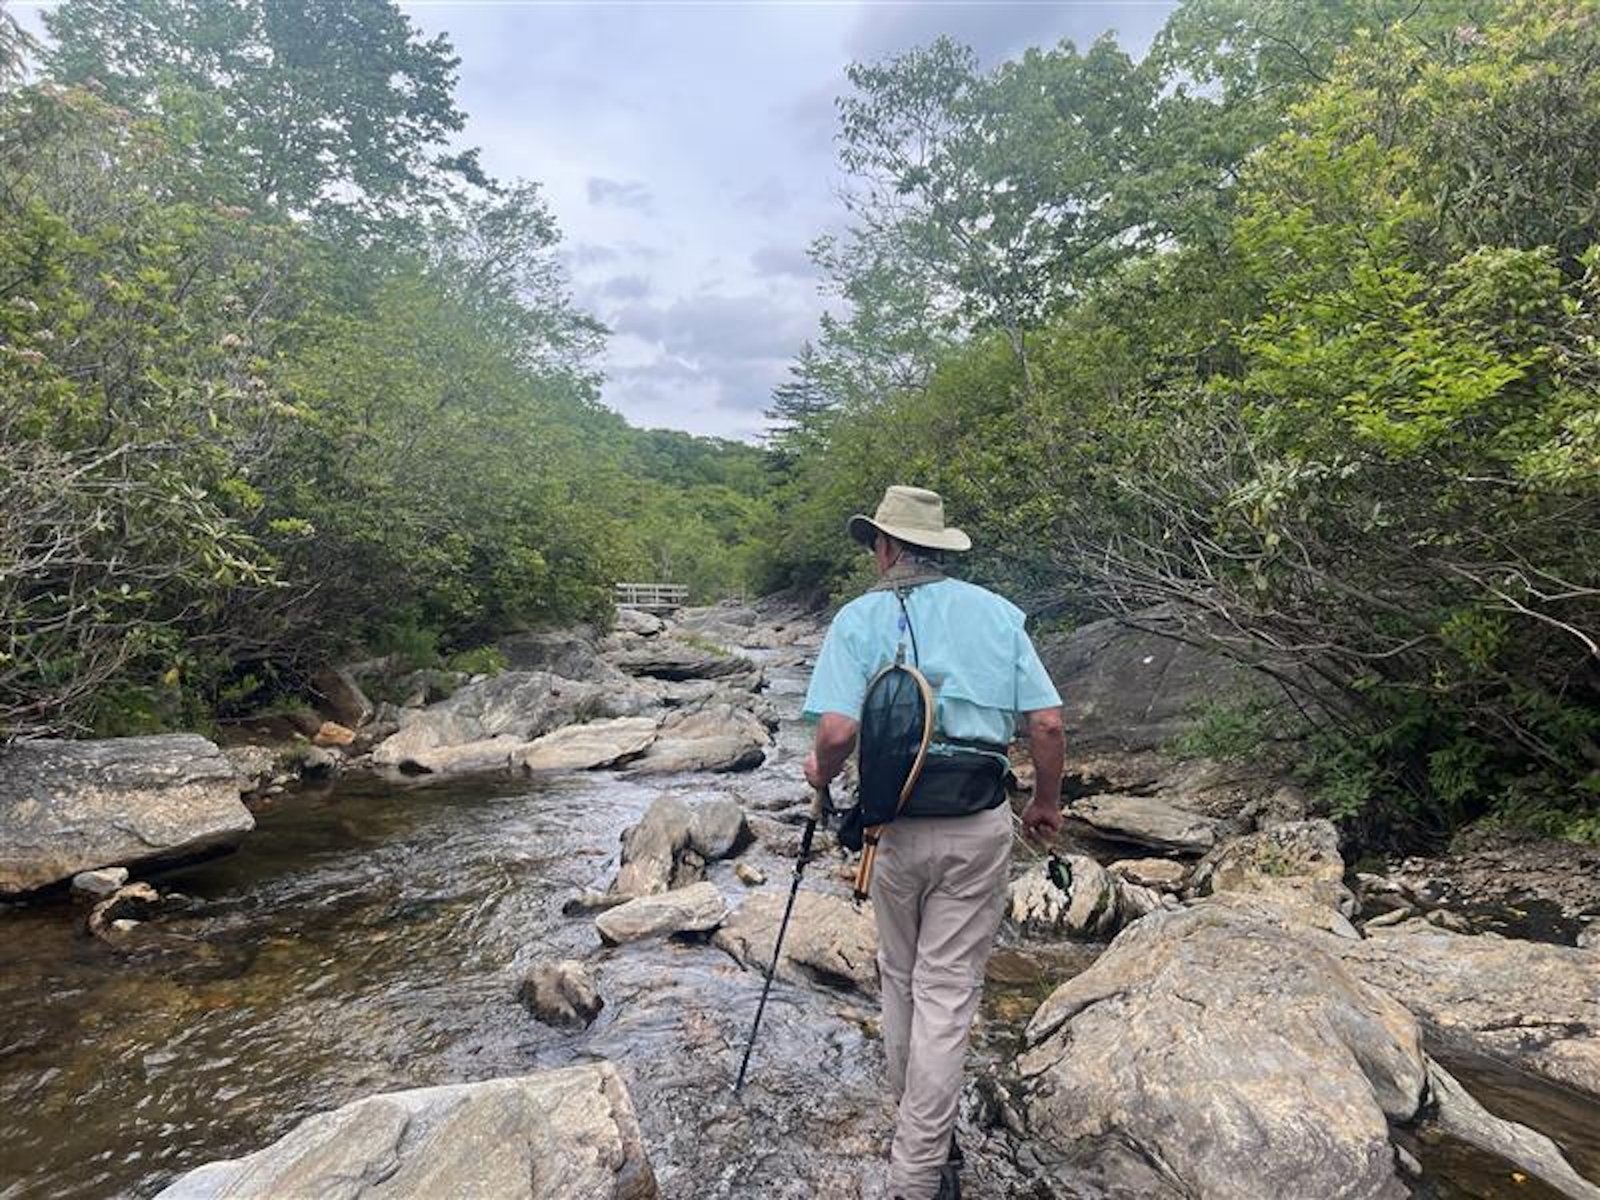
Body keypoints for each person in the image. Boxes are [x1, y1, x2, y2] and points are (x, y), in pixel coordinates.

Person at [801, 485, 1066, 1200]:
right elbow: (1045, 725)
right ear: (941, 550)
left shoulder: (857, 620)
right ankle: (922, 1167)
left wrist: (818, 773)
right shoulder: (997, 614)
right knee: (948, 992)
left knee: (903, 979)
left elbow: (835, 736)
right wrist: (1044, 803)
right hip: (976, 825)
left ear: (885, 549)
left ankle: (919, 1148)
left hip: (890, 829)